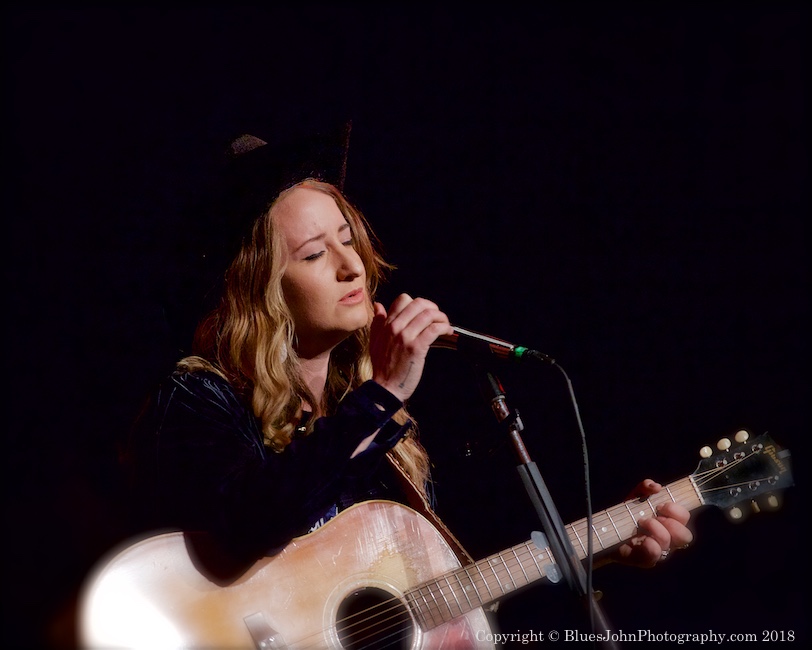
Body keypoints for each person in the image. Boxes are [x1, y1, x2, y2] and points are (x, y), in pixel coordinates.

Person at [119, 125, 693, 647]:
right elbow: (253, 521)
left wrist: (592, 553)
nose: (352, 266)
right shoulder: (199, 399)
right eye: (316, 254)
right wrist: (385, 394)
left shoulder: (367, 416)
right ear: (259, 287)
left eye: (348, 239)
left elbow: (443, 589)